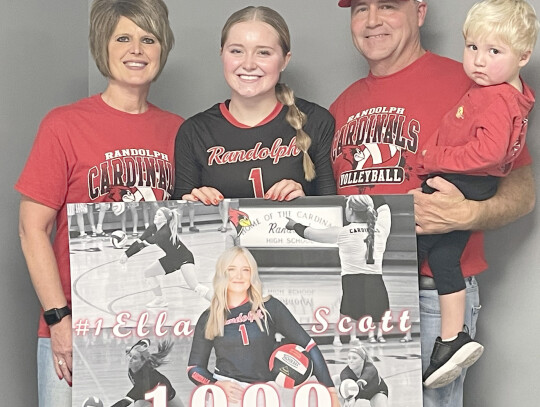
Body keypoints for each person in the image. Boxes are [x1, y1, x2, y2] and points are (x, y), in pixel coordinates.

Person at [331, 1, 535, 406]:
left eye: (388, 5)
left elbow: (522, 190)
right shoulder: (340, 106)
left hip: (431, 294)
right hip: (364, 292)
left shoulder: (475, 81)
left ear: (420, 12)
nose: (372, 20)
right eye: (360, 8)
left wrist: (470, 213)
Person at [15, 1, 181, 405]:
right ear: (101, 47)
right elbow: (31, 229)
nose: (136, 49)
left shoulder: (180, 131)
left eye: (148, 38)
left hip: (150, 326)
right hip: (74, 327)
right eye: (122, 38)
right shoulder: (63, 125)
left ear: (163, 48)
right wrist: (58, 320)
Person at [416, 0, 538, 389]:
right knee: (445, 256)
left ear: (524, 55)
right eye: (472, 48)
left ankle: (398, 317)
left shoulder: (498, 96)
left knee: (409, 239)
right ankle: (452, 340)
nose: (479, 61)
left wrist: (432, 157)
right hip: (468, 181)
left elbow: (489, 153)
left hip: (464, 181)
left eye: (494, 51)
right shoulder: (497, 91)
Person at [173, 6, 336, 204]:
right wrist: (196, 204)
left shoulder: (316, 121)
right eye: (236, 51)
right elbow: (180, 225)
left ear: (285, 60)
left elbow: (334, 214)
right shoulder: (194, 131)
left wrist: (304, 204)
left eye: (263, 53)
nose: (248, 64)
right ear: (222, 54)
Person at [187, 246, 339, 406]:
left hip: (265, 394)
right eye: (232, 269)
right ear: (222, 273)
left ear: (252, 274)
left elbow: (309, 347)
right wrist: (215, 385)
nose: (239, 276)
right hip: (228, 395)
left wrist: (331, 392)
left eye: (245, 270)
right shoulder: (209, 316)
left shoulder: (270, 307)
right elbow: (194, 368)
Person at [286, 195, 392, 346]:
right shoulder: (381, 229)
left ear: (350, 211)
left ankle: (339, 341)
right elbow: (384, 208)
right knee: (376, 324)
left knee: (347, 319)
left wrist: (294, 224)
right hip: (376, 284)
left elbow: (309, 233)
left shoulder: (342, 232)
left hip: (352, 283)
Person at [120, 207, 211, 306]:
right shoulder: (152, 228)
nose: (155, 216)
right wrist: (126, 253)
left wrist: (127, 255)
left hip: (184, 258)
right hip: (172, 258)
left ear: (165, 219)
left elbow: (142, 245)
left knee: (195, 286)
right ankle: (160, 300)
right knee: (148, 273)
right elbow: (139, 241)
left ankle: (218, 302)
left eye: (159, 215)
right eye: (156, 213)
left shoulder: (164, 233)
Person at [112, 339, 183, 407]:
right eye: (130, 356)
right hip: (147, 395)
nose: (130, 359)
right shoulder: (135, 361)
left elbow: (125, 402)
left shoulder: (144, 379)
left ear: (142, 362)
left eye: (134, 358)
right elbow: (146, 340)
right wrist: (136, 348)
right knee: (138, 404)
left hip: (165, 393)